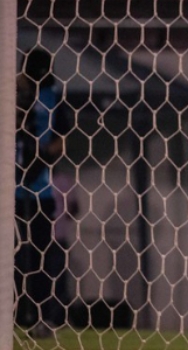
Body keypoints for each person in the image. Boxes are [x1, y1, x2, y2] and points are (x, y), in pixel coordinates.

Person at [15, 48, 71, 338]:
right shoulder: (10, 92)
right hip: (8, 192)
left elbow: (61, 140)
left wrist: (43, 155)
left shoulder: (53, 96)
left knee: (38, 259)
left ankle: (40, 317)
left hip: (40, 191)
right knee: (10, 258)